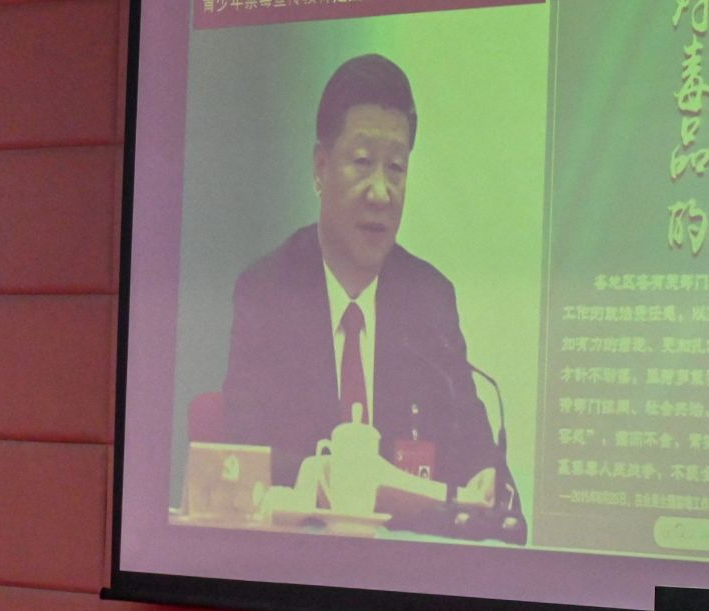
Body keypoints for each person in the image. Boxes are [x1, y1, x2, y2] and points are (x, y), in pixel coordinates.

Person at [220, 53, 518, 530]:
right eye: (362, 163)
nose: (381, 192)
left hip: (405, 571)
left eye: (396, 168)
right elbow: (242, 460)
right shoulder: (269, 292)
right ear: (321, 168)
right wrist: (333, 477)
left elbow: (481, 465)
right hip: (294, 564)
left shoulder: (429, 300)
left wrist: (486, 481)